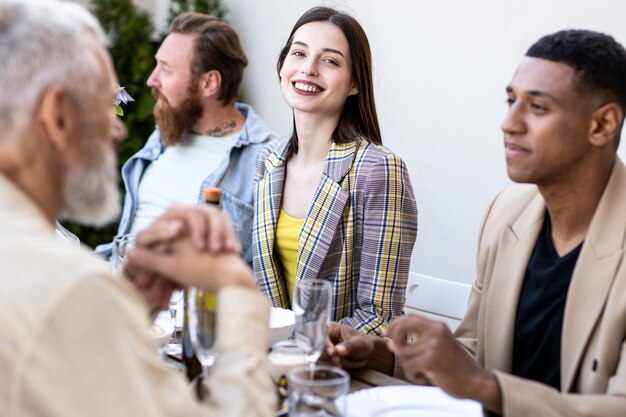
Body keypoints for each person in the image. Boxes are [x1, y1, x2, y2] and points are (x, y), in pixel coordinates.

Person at [325, 29, 626, 416]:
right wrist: (380, 355)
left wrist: (483, 386)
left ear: (601, 125)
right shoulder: (505, 214)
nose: (509, 123)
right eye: (511, 100)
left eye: (537, 107)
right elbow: (473, 358)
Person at [0, 1, 273, 416]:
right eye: (103, 107)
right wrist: (236, 291)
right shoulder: (69, 286)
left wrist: (124, 301)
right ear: (55, 115)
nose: (119, 128)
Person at [253, 6, 418, 336]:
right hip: (276, 361)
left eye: (329, 60)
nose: (308, 69)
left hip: (345, 370)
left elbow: (379, 316)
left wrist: (303, 349)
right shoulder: (267, 161)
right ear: (283, 65)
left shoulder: (378, 170)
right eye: (299, 53)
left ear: (355, 83)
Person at [96, 12, 276, 265]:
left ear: (209, 83)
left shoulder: (266, 160)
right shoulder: (165, 134)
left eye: (166, 71)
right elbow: (126, 241)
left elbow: (261, 275)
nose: (152, 80)